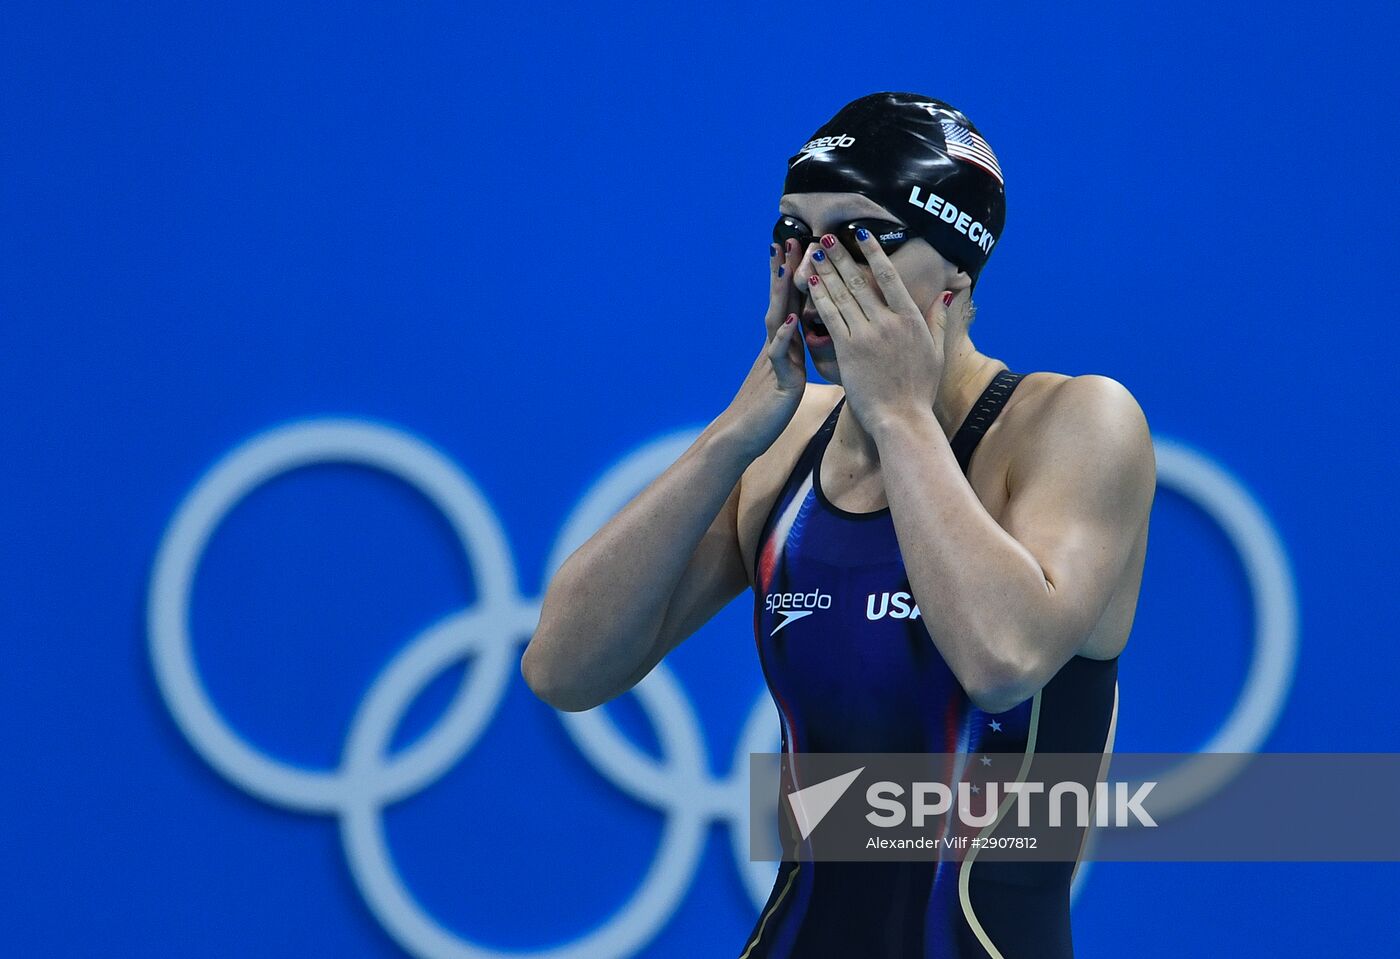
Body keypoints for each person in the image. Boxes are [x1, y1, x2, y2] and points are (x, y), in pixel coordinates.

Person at [521, 92, 1156, 958]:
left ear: (957, 272)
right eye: (794, 235)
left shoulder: (1075, 423)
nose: (816, 271)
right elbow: (562, 666)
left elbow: (1004, 661)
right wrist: (733, 434)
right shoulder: (783, 446)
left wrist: (899, 416)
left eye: (857, 238)